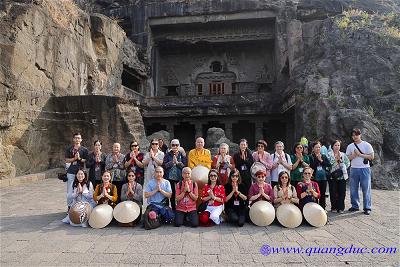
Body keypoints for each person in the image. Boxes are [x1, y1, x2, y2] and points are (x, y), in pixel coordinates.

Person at [346, 128, 374, 215]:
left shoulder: (367, 145)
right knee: (353, 189)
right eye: (353, 135)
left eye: (356, 135)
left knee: (366, 189)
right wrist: (354, 155)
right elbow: (347, 158)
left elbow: (372, 157)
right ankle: (355, 205)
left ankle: (367, 207)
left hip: (365, 168)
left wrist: (360, 154)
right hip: (354, 168)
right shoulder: (350, 146)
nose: (355, 137)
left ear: (360, 135)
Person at [64, 133, 88, 210]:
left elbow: (86, 160)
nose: (77, 139)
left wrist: (80, 159)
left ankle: (81, 206)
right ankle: (69, 207)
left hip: (81, 172)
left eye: (79, 138)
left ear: (81, 140)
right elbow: (66, 160)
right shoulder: (69, 149)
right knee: (70, 190)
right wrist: (74, 158)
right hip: (71, 171)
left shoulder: (84, 149)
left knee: (82, 189)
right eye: (76, 138)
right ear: (73, 139)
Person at [163, 139, 187, 210]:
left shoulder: (182, 154)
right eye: (173, 145)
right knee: (172, 194)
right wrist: (172, 162)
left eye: (176, 145)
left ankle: (180, 209)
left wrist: (177, 163)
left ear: (179, 146)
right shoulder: (167, 154)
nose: (175, 146)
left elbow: (185, 166)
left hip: (179, 177)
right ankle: (173, 209)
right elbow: (164, 166)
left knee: (181, 193)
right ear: (171, 146)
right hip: (170, 178)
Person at [327, 140, 350, 213]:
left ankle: (341, 208)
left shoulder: (343, 154)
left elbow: (348, 163)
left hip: (341, 176)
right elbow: (327, 165)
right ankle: (334, 207)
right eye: (335, 145)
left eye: (338, 145)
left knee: (342, 192)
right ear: (332, 146)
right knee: (333, 192)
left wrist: (342, 165)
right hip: (332, 176)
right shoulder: (328, 154)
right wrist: (335, 161)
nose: (337, 147)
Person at [309, 141, 331, 210]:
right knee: (314, 193)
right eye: (316, 147)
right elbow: (311, 166)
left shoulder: (323, 156)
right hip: (314, 178)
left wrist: (321, 160)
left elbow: (329, 165)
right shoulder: (310, 156)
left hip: (323, 178)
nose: (318, 148)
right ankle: (315, 208)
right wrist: (317, 159)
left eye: (319, 147)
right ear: (313, 148)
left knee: (322, 193)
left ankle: (322, 209)